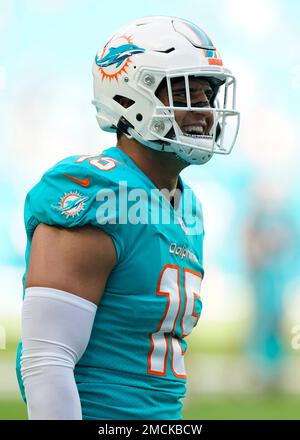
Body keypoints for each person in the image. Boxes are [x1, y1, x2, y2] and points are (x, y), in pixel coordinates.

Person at [15, 16, 239, 420]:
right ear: (127, 98)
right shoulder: (93, 189)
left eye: (207, 96)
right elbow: (47, 359)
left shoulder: (186, 205)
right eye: (186, 92)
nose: (204, 111)